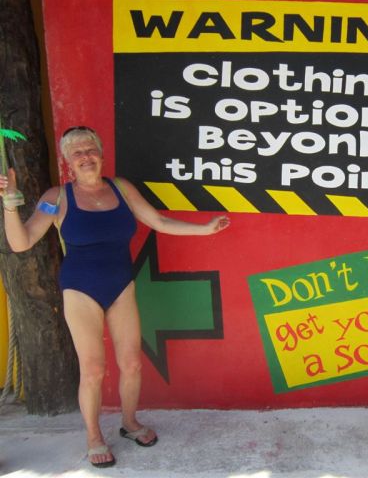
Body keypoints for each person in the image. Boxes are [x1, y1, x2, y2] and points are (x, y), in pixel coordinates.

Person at [0, 126, 230, 467]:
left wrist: (205, 229)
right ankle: (94, 436)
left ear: (101, 154)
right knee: (93, 369)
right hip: (80, 289)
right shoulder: (57, 198)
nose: (85, 156)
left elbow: (158, 221)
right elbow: (22, 243)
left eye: (89, 149)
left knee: (132, 363)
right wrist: (9, 205)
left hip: (121, 285)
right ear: (67, 161)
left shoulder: (121, 189)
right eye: (77, 152)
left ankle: (129, 422)